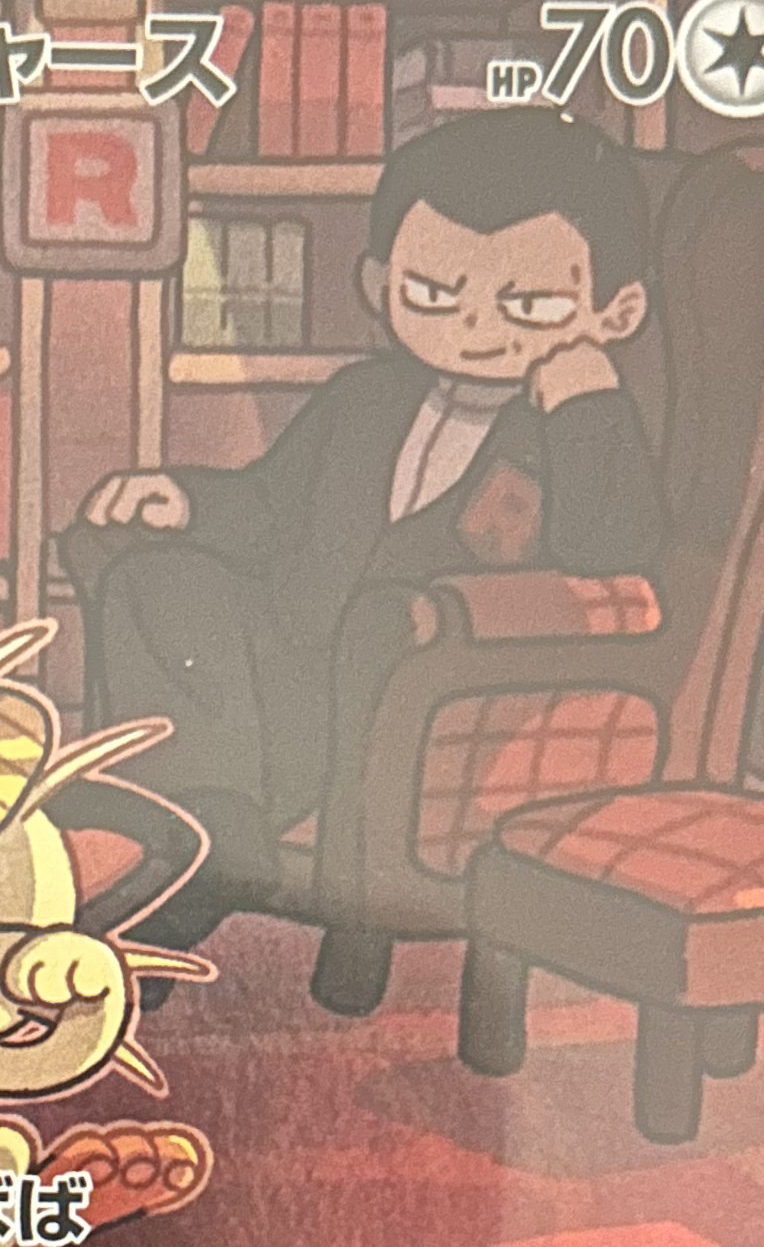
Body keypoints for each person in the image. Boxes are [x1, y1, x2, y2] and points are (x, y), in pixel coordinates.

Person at [67, 109, 666, 936]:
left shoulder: (573, 432)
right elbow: (273, 506)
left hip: (415, 701)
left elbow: (613, 553)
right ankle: (207, 832)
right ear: (379, 285)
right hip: (283, 675)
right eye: (433, 294)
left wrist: (585, 401)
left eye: (528, 304)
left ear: (616, 312)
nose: (474, 326)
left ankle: (204, 852)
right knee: (150, 576)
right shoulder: (365, 397)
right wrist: (188, 500)